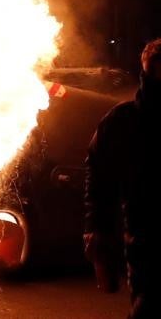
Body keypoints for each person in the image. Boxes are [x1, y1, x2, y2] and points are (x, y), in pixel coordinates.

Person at [85, 37, 159, 318]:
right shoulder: (122, 121)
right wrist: (97, 232)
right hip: (144, 239)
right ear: (147, 71)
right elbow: (99, 180)